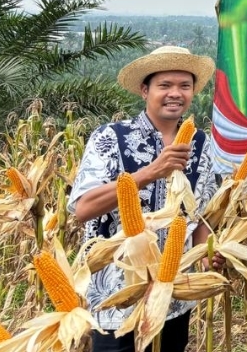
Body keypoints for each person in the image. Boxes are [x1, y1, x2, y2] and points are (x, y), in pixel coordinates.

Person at [69, 46, 218, 352]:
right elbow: (83, 208)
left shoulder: (200, 142)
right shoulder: (110, 137)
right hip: (117, 300)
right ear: (144, 90)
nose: (175, 93)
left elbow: (200, 214)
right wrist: (151, 172)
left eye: (184, 86)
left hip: (173, 299)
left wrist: (206, 253)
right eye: (165, 85)